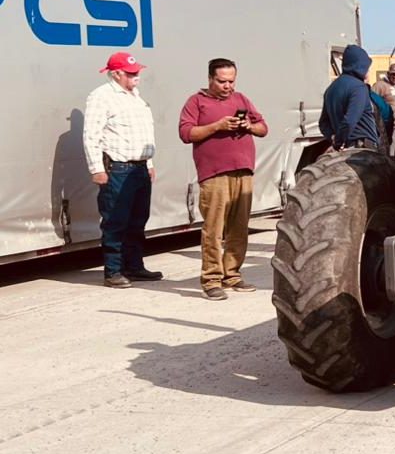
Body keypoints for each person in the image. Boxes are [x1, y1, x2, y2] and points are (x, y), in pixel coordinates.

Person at [178, 58, 268, 300]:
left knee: (239, 228)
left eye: (231, 81)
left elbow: (263, 128)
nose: (228, 86)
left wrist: (248, 125)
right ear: (210, 79)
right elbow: (186, 133)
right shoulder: (196, 101)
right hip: (214, 173)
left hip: (243, 170)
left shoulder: (241, 100)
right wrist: (217, 126)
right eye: (222, 81)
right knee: (214, 228)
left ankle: (233, 275)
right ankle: (211, 279)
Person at [83, 52, 161, 288]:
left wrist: (149, 164)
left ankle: (134, 266)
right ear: (116, 74)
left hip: (139, 169)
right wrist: (97, 168)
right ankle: (113, 270)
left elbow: (142, 135)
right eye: (131, 73)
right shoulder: (101, 97)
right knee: (115, 220)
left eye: (137, 71)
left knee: (138, 220)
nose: (137, 76)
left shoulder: (136, 97)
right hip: (118, 169)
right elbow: (91, 136)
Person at [320, 45, 379, 150]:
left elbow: (323, 123)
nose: (368, 71)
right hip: (362, 148)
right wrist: (338, 140)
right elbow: (349, 121)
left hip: (345, 148)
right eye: (367, 67)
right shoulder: (359, 88)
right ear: (359, 66)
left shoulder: (330, 89)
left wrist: (333, 137)